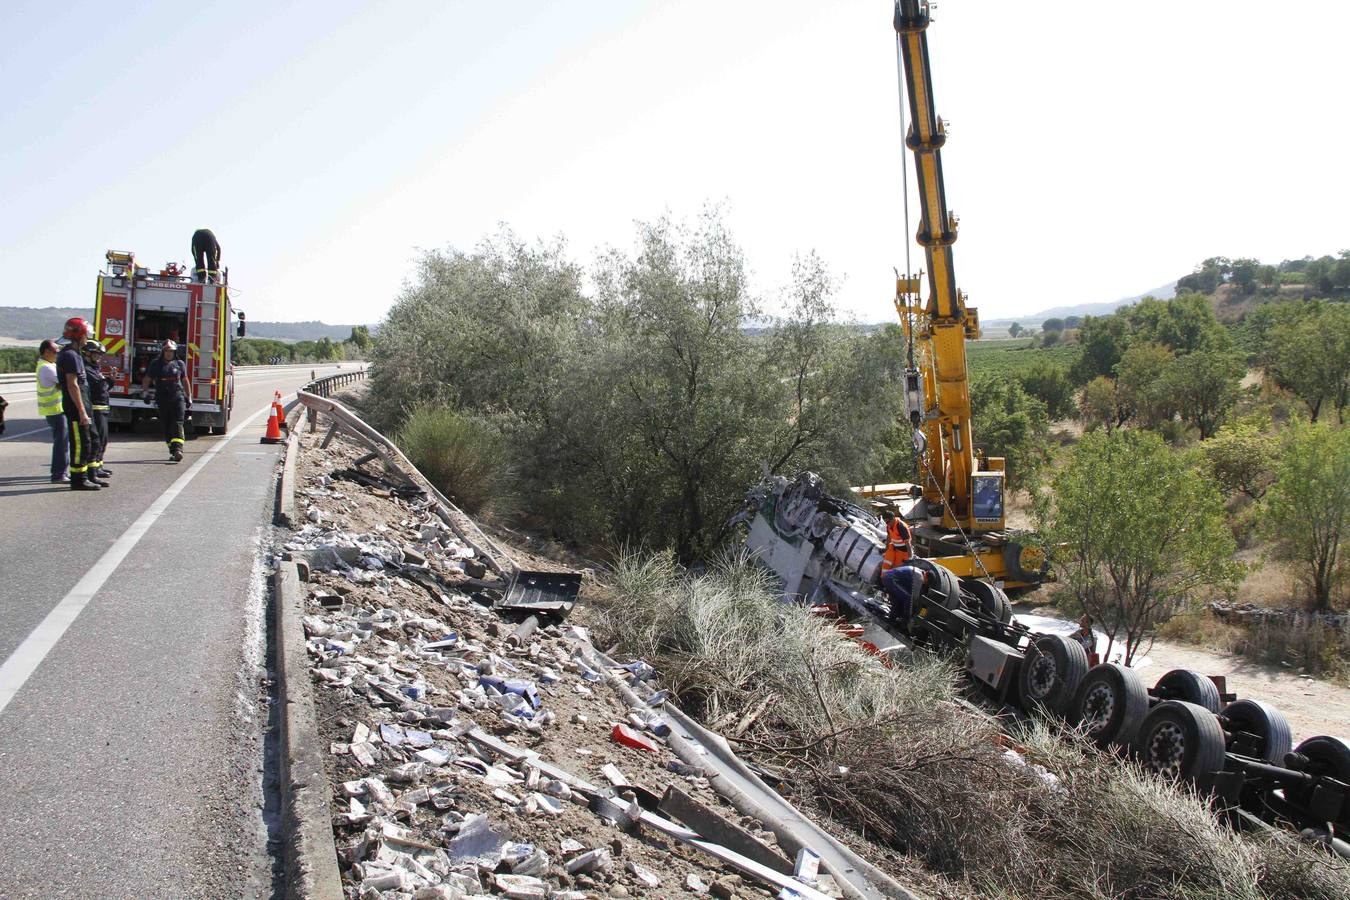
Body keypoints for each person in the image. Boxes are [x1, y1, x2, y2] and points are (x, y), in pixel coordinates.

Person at [57, 318, 101, 490]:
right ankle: (78, 479)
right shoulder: (70, 355)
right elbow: (72, 384)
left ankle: (90, 475)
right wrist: (82, 411)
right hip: (76, 407)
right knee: (80, 444)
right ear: (78, 336)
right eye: (85, 335)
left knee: (90, 440)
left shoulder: (75, 354)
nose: (87, 338)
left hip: (83, 404)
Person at [144, 339, 190, 461]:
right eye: (167, 351)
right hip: (162, 398)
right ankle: (173, 450)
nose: (169, 353)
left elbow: (185, 380)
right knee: (167, 425)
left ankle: (178, 449)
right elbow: (147, 379)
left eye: (171, 351)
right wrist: (145, 393)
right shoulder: (156, 364)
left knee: (178, 423)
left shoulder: (180, 364)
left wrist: (188, 397)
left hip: (177, 397)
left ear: (175, 352)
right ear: (163, 351)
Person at [35, 339, 68, 482]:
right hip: (55, 410)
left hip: (55, 410)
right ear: (47, 352)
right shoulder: (47, 368)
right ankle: (59, 474)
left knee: (62, 442)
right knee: (61, 443)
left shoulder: (48, 365)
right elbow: (66, 382)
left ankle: (61, 472)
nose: (58, 354)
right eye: (56, 352)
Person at [83, 339, 113, 480]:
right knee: (96, 441)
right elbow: (99, 387)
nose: (99, 358)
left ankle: (98, 466)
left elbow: (103, 388)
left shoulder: (94, 369)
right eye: (96, 355)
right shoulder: (87, 370)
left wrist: (109, 380)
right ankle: (92, 472)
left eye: (100, 355)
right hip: (95, 410)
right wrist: (106, 382)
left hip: (102, 409)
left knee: (103, 440)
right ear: (87, 354)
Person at [881, 562, 927, 629]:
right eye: (926, 582)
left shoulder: (917, 570)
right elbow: (915, 596)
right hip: (891, 579)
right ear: (926, 577)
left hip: (888, 577)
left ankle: (891, 619)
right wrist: (916, 609)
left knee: (899, 599)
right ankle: (904, 622)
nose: (925, 583)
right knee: (908, 598)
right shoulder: (920, 576)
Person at [874, 500, 914, 574]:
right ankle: (884, 578)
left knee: (897, 569)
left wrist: (910, 557)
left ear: (893, 518)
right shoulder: (889, 525)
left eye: (888, 522)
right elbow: (889, 537)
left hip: (903, 552)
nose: (887, 524)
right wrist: (886, 548)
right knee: (887, 562)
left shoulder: (901, 527)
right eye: (886, 522)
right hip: (894, 547)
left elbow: (908, 543)